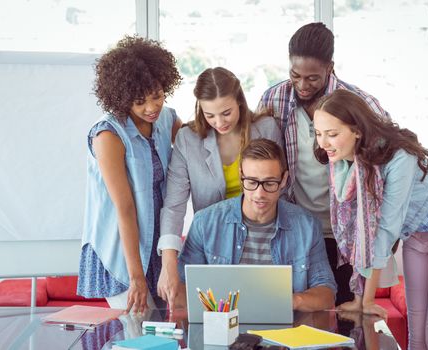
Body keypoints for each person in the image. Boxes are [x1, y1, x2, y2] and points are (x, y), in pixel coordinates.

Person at [313, 89, 428, 349]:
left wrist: (367, 301)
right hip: (416, 236)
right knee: (416, 336)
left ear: (357, 131)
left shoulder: (399, 157)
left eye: (332, 134)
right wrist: (358, 299)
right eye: (318, 133)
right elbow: (360, 234)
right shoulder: (347, 162)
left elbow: (385, 230)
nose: (323, 143)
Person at [258, 22, 390, 305]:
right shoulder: (274, 98)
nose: (303, 86)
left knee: (342, 316)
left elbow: (388, 161)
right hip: (298, 227)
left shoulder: (359, 103)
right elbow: (262, 155)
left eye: (313, 78)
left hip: (344, 232)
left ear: (330, 67)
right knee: (295, 313)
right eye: (295, 75)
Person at [157, 67, 282, 309]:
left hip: (262, 241)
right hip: (213, 244)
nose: (219, 122)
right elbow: (173, 206)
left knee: (263, 314)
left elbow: (281, 188)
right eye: (210, 115)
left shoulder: (266, 128)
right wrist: (168, 265)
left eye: (226, 113)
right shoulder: (187, 139)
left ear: (240, 102)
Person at [76, 35, 183, 314]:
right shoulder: (108, 135)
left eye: (157, 96)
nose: (152, 108)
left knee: (165, 336)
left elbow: (197, 145)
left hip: (158, 244)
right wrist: (136, 278)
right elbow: (124, 208)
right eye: (139, 101)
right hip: (123, 252)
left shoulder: (167, 118)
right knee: (138, 335)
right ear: (122, 98)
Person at [176, 139, 336, 312]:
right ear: (241, 176)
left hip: (286, 333)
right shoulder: (205, 223)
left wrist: (292, 301)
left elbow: (326, 292)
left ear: (283, 180)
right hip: (222, 328)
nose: (259, 194)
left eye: (269, 183)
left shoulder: (306, 226)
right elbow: (182, 286)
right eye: (252, 182)